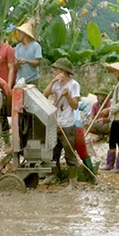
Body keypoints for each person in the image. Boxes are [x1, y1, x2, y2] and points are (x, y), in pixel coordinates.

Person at [42, 57, 81, 187]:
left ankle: (72, 181)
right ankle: (54, 176)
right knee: (54, 152)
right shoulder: (57, 84)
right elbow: (45, 94)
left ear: (63, 71)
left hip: (68, 124)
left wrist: (67, 95)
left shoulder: (74, 85)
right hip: (56, 122)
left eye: (57, 70)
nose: (55, 71)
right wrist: (53, 81)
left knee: (69, 153)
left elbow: (75, 105)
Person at [14, 21, 42, 86]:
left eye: (20, 33)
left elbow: (37, 62)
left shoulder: (36, 46)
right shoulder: (18, 47)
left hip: (33, 79)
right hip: (20, 79)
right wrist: (18, 63)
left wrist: (27, 61)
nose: (18, 35)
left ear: (24, 34)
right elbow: (15, 63)